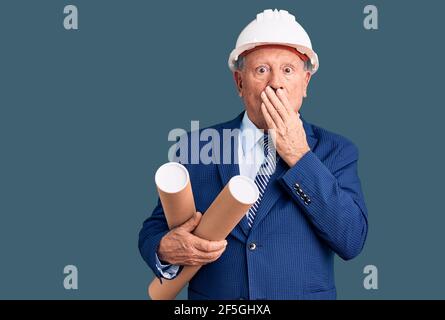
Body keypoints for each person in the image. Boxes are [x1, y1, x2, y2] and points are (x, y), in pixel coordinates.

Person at [139, 9, 368, 300]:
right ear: (240, 83)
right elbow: (155, 228)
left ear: (305, 83)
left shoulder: (337, 151)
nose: (276, 83)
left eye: (288, 70)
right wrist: (163, 248)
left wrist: (299, 156)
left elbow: (351, 240)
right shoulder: (198, 147)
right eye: (262, 70)